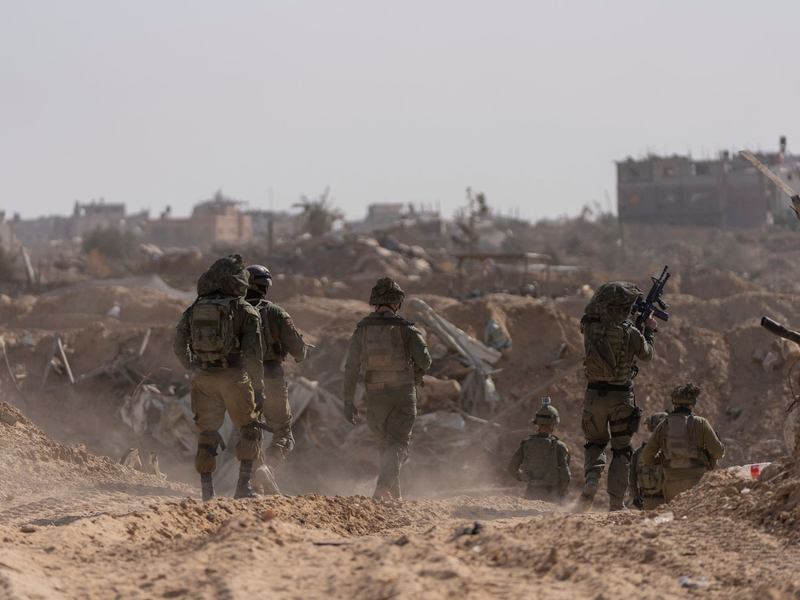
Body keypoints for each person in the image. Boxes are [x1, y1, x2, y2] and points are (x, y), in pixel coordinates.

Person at [173, 254, 266, 501]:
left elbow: (178, 346)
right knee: (250, 430)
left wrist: (193, 366)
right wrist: (259, 388)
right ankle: (243, 487)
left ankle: (207, 491)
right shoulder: (245, 310)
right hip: (234, 377)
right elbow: (253, 354)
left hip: (203, 378)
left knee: (207, 433)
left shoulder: (194, 308)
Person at [342, 277, 431, 501]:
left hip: (375, 394)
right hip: (402, 393)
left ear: (375, 302)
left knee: (385, 446)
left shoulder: (362, 329)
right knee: (399, 444)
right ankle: (382, 488)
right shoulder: (407, 329)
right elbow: (426, 361)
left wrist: (347, 400)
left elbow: (351, 366)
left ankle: (394, 495)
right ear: (397, 303)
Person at [579, 281, 658, 512]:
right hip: (621, 398)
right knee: (621, 450)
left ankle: (592, 479)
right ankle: (616, 503)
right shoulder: (630, 332)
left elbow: (608, 332)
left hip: (593, 395)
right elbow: (646, 355)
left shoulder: (588, 326)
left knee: (594, 443)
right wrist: (648, 330)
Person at [244, 265, 307, 495]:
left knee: (249, 430)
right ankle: (268, 468)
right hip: (270, 375)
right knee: (282, 430)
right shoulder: (276, 312)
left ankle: (253, 483)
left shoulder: (234, 311)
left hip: (240, 379)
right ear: (266, 286)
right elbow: (299, 350)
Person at [642, 382, 725, 502]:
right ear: (692, 406)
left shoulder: (662, 425)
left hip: (671, 482)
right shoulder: (701, 423)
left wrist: (663, 458)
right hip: (697, 481)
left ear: (674, 405)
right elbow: (718, 453)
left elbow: (646, 457)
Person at [507, 398, 570, 503]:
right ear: (553, 425)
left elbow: (512, 468)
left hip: (531, 494)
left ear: (537, 424)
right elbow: (565, 474)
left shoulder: (526, 444)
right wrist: (563, 493)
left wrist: (524, 477)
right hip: (552, 496)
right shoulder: (559, 447)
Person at [629, 412, 668, 510]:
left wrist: (635, 497)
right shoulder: (672, 451)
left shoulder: (639, 452)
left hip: (648, 501)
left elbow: (632, 478)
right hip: (672, 500)